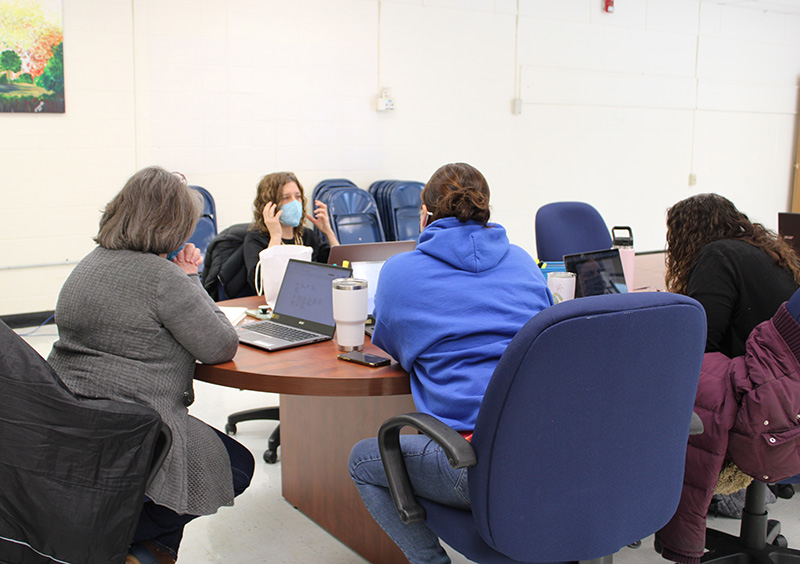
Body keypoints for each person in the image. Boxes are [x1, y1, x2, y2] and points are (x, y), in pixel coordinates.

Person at [348, 162, 553, 564]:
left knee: (364, 459)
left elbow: (395, 349)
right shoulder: (525, 263)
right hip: (545, 452)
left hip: (471, 464)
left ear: (424, 216)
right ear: (485, 208)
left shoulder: (401, 272)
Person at [48, 167, 254, 564]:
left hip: (78, 421)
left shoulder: (88, 265)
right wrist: (191, 278)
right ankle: (110, 538)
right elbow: (220, 345)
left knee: (188, 472)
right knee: (236, 465)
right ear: (173, 225)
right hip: (142, 426)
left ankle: (145, 555)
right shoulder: (163, 278)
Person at [665, 193, 800, 357]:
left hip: (755, 373)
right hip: (779, 368)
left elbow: (701, 341)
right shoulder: (767, 252)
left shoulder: (716, 256)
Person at [243, 172, 339, 294]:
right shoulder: (255, 239)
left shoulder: (307, 236)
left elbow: (340, 269)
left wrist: (328, 232)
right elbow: (261, 286)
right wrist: (276, 236)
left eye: (298, 196)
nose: (295, 203)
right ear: (269, 204)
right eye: (286, 198)